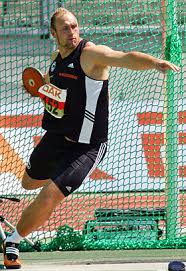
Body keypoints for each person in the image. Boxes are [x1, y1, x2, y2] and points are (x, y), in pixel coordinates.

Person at [3, 7, 180, 269]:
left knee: (51, 194)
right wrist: (40, 88)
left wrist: (154, 63)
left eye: (74, 26)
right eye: (65, 28)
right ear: (53, 32)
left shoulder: (91, 54)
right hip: (56, 137)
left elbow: (123, 57)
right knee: (28, 183)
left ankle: (12, 242)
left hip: (87, 147)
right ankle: (49, 188)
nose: (72, 32)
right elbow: (51, 85)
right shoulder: (56, 58)